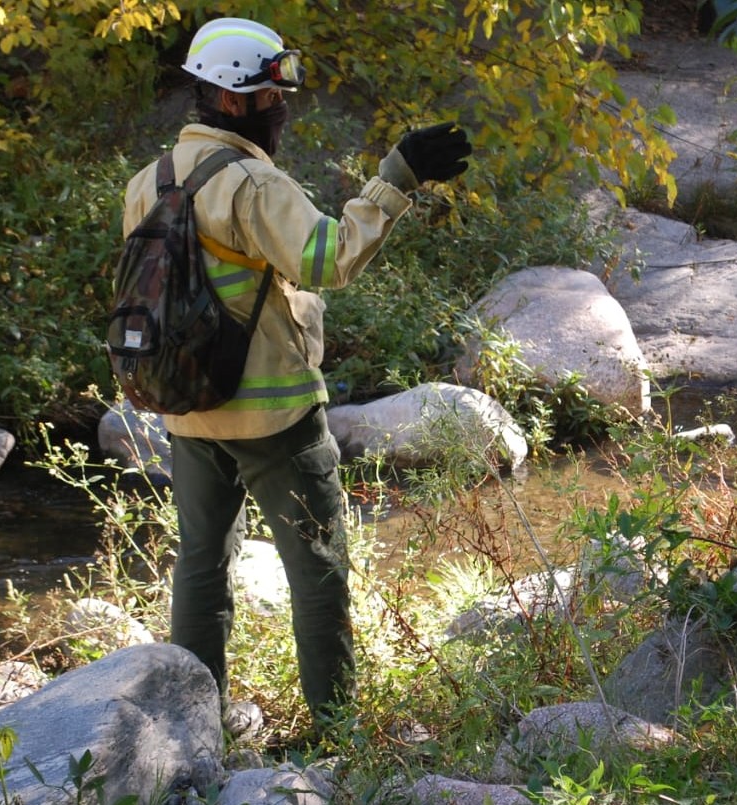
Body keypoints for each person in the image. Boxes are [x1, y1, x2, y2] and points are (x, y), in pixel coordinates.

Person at [121, 17, 471, 734]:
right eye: (276, 95)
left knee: (199, 568)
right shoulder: (250, 182)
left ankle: (196, 730)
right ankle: (339, 734)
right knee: (317, 572)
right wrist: (398, 174)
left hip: (185, 408)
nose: (283, 108)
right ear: (239, 100)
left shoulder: (147, 180)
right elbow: (327, 259)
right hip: (275, 418)